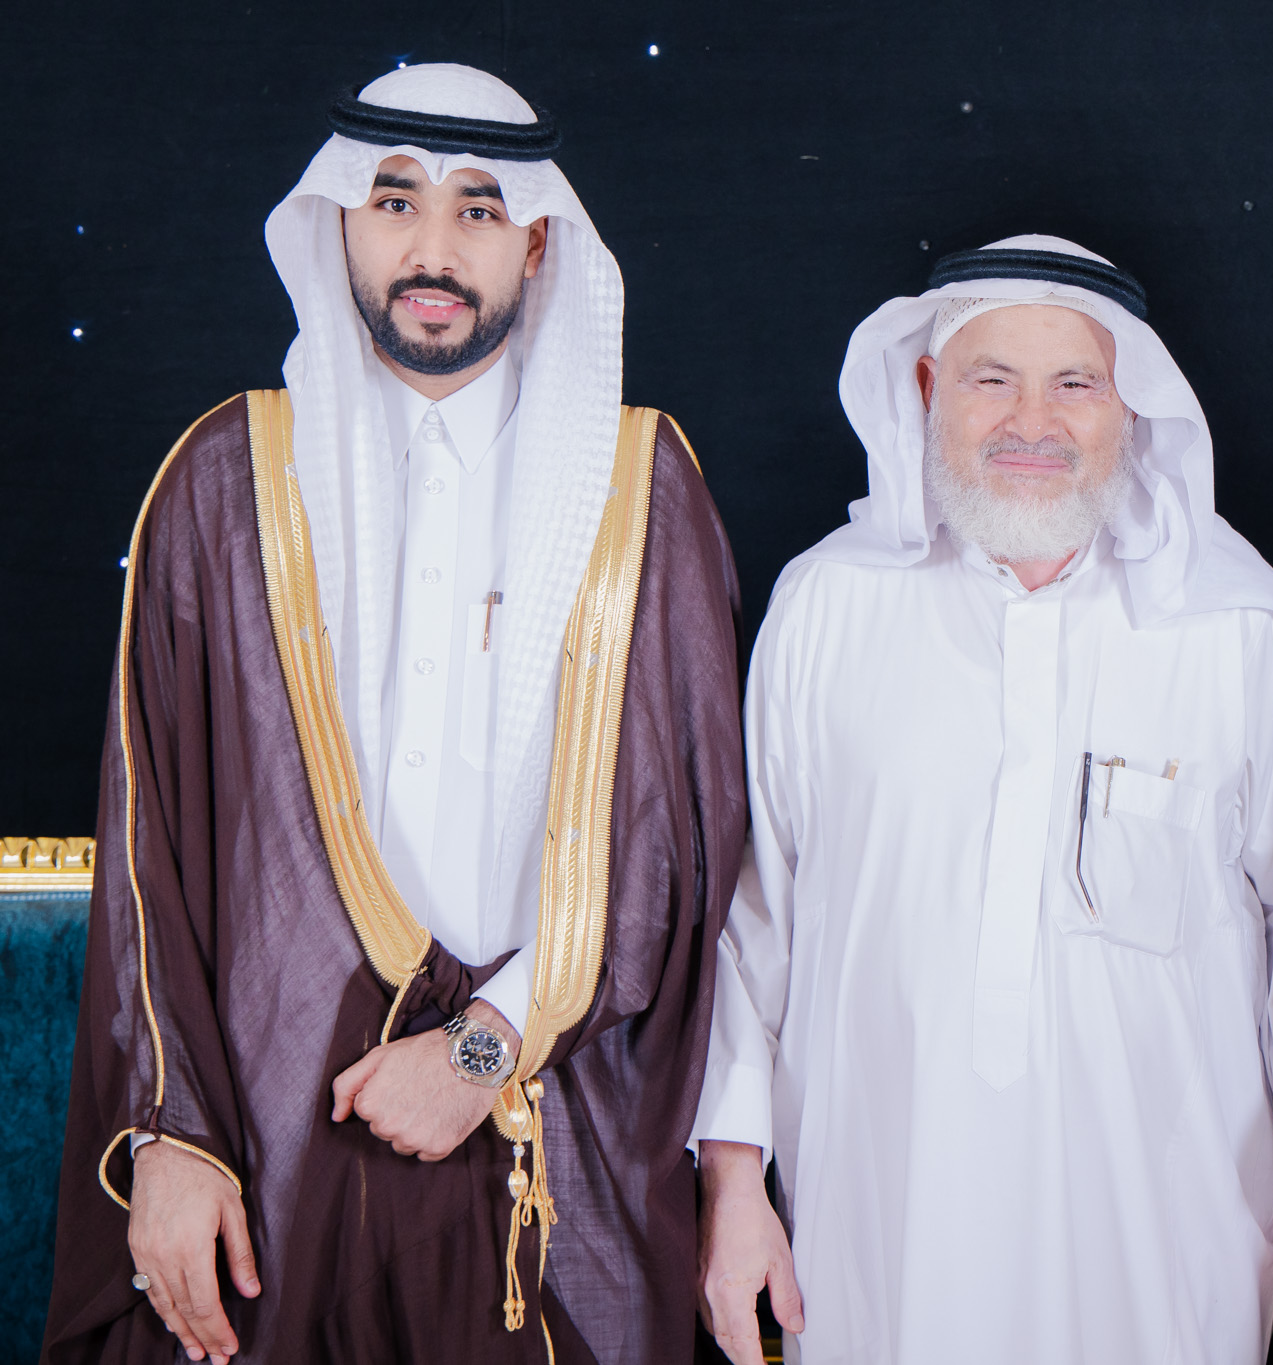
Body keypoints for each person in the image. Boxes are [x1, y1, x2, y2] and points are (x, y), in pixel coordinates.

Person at [43, 63, 746, 1364]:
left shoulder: (639, 491)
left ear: (539, 244)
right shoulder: (223, 483)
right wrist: (169, 1137)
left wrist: (481, 1049)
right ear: (338, 225)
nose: (433, 249)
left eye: (479, 208)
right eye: (395, 201)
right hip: (270, 1147)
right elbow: (149, 855)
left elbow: (677, 854)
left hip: (551, 1140)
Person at [690, 237, 1273, 1365]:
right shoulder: (827, 607)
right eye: (992, 379)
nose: (1033, 422)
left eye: (1074, 383)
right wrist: (733, 1189)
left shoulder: (1238, 629)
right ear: (928, 388)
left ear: (1131, 406)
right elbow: (751, 922)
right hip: (879, 1231)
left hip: (1167, 1248)